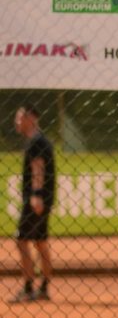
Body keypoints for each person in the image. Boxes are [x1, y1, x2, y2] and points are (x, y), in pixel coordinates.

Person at [10, 105, 56, 303]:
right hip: (44, 198)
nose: (17, 122)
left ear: (31, 118)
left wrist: (36, 195)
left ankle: (28, 287)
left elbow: (38, 168)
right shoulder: (41, 140)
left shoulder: (36, 142)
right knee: (40, 241)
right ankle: (44, 286)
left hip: (36, 199)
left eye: (20, 118)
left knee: (21, 240)